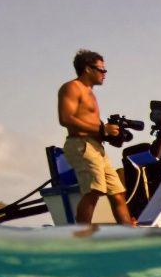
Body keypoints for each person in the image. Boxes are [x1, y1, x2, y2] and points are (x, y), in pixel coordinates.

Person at [56, 49, 136, 226]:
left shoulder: (90, 93)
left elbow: (93, 125)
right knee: (94, 190)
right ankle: (81, 236)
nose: (104, 74)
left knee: (117, 193)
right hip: (81, 144)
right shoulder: (72, 87)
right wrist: (102, 129)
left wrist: (109, 134)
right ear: (87, 69)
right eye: (101, 69)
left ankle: (130, 235)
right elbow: (66, 119)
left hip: (96, 147)